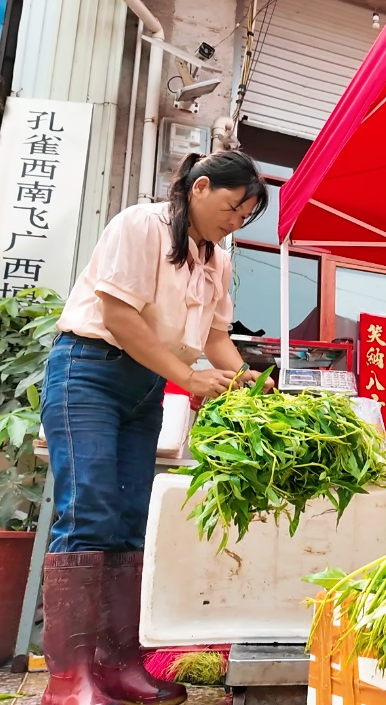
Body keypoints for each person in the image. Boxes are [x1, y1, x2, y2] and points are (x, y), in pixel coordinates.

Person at [39, 151, 270, 705]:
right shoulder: (140, 225)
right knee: (90, 511)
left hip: (145, 384)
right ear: (200, 187)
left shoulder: (216, 260)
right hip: (89, 372)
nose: (235, 223)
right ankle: (69, 680)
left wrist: (253, 389)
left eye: (245, 217)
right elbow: (118, 315)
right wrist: (188, 377)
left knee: (130, 521)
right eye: (233, 208)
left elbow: (215, 338)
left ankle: (119, 666)